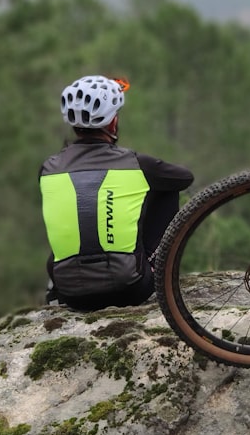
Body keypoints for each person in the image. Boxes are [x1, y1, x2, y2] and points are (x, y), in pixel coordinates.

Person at [38, 75, 194, 311]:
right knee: (167, 190)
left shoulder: (49, 168)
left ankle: (54, 287)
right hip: (131, 289)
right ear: (113, 123)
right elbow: (185, 178)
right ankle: (155, 266)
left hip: (71, 295)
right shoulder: (136, 163)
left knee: (70, 212)